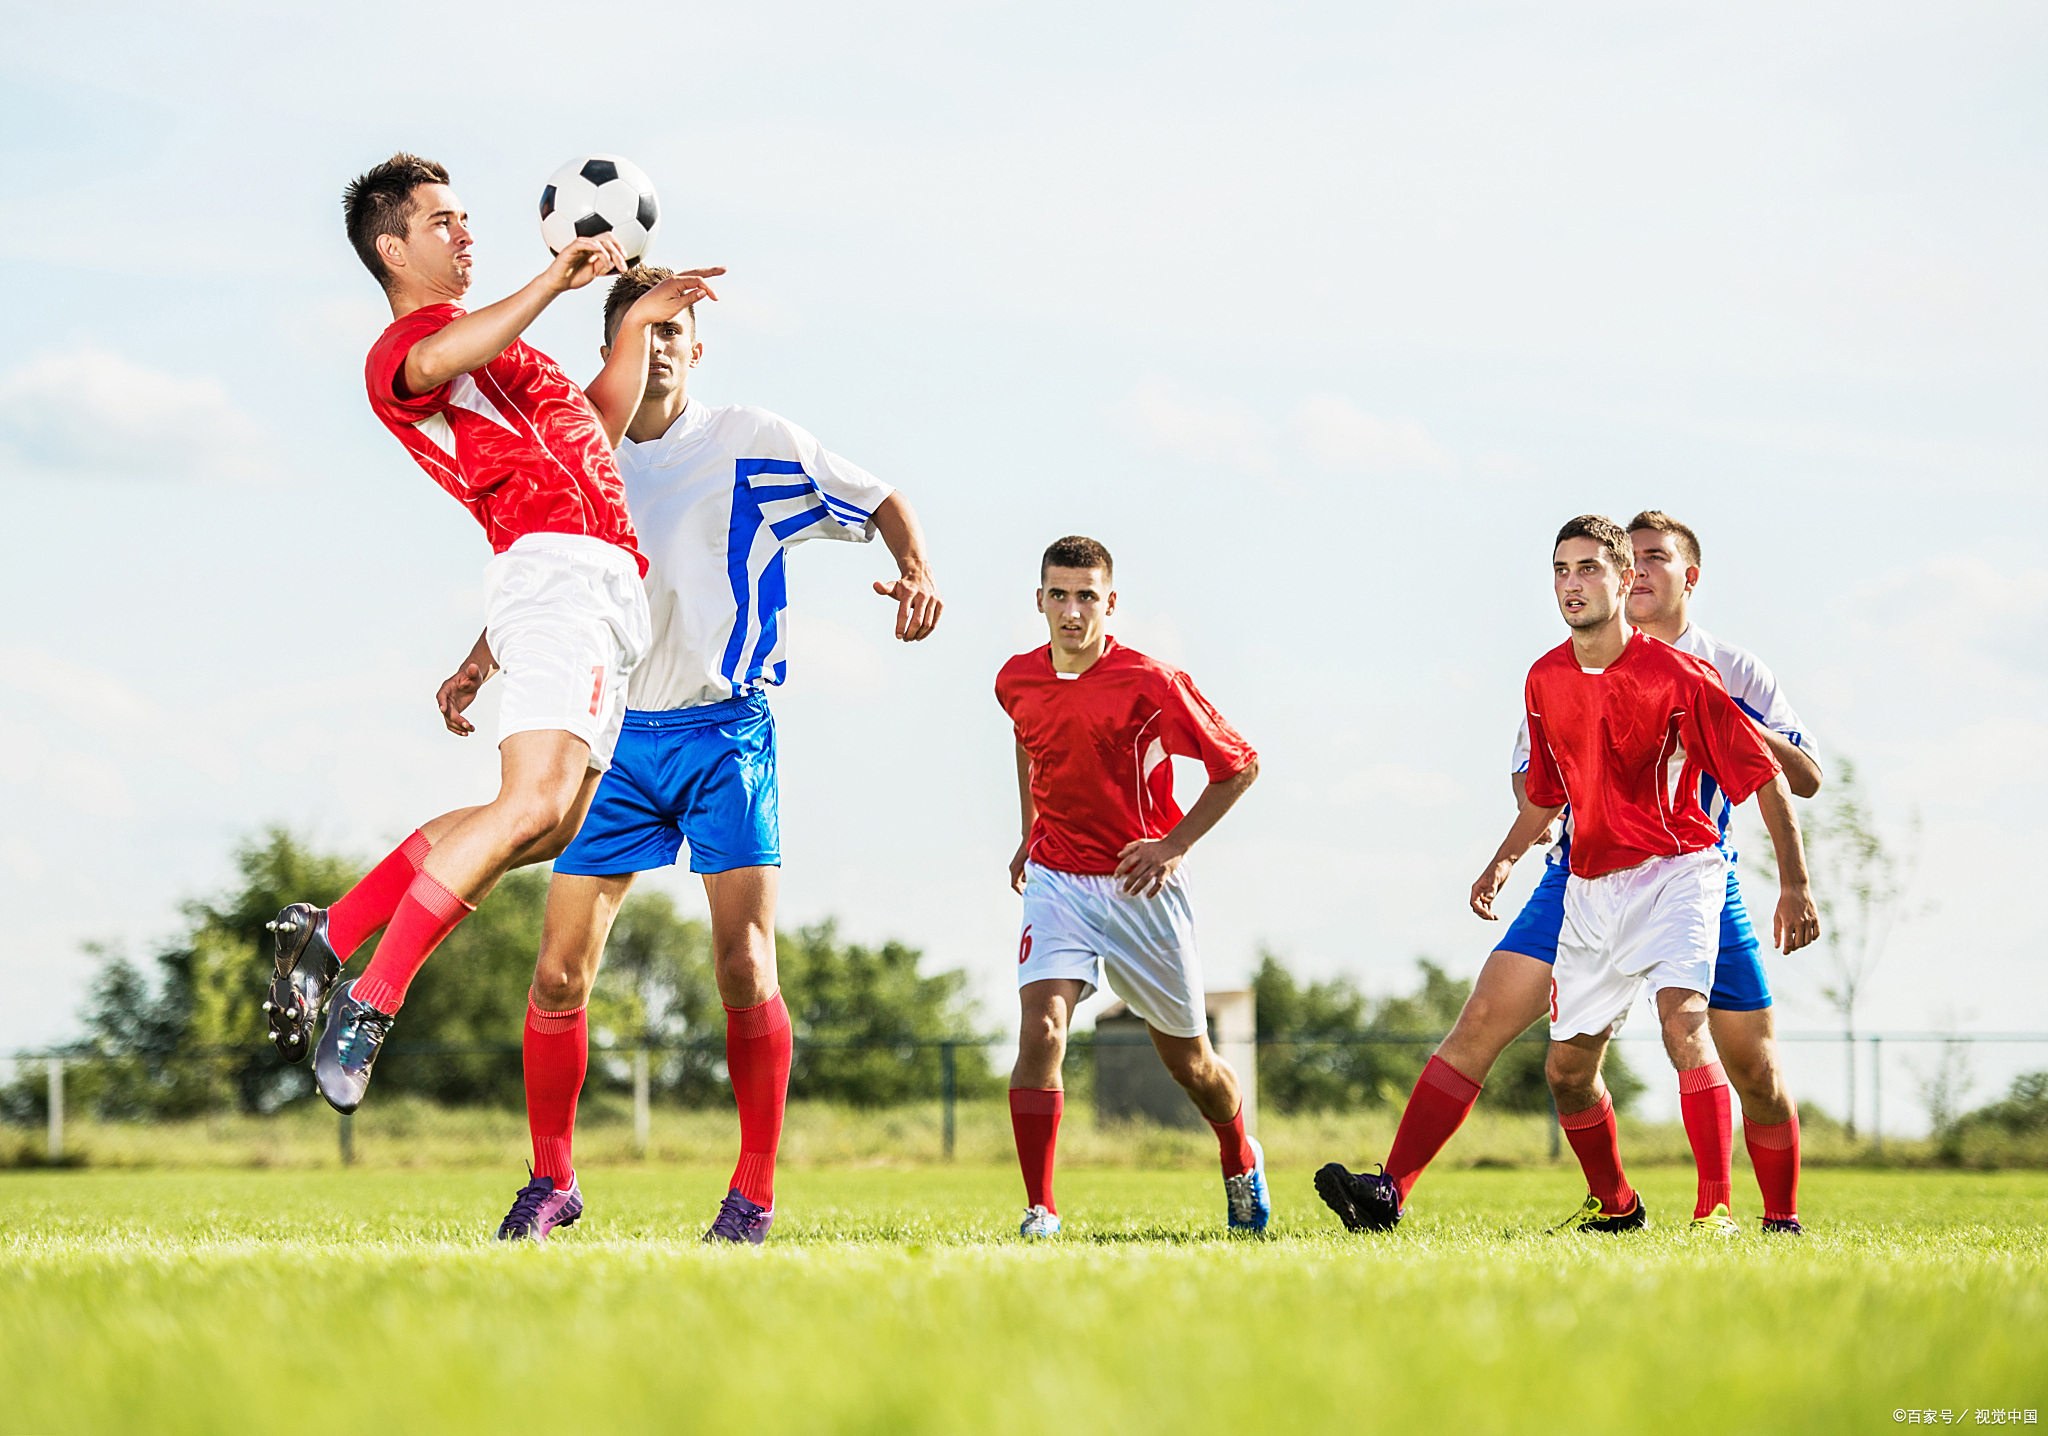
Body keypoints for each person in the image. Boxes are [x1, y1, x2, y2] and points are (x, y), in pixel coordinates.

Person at [440, 265, 944, 1245]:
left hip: (724, 733)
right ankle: (552, 1181)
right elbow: (554, 579)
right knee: (555, 973)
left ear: (697, 348)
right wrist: (476, 661)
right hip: (613, 738)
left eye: (676, 327)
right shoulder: (583, 455)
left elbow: (878, 496)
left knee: (742, 965)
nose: (662, 343)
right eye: (643, 328)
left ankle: (751, 1194)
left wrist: (916, 572)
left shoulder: (752, 442)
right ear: (611, 352)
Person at [262, 154, 718, 1116]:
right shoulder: (411, 348)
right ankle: (370, 1001)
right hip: (558, 573)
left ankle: (332, 932)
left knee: (549, 824)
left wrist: (633, 323)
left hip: (600, 587)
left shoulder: (509, 356)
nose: (466, 232)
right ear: (393, 247)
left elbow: (592, 423)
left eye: (469, 217)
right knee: (531, 804)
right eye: (443, 221)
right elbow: (432, 365)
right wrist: (555, 280)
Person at [1316, 511, 1823, 1235]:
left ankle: (1741, 1214)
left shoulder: (1718, 670)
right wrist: (1503, 858)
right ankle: (1400, 1190)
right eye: (1563, 568)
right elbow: (1542, 791)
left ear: (1679, 575)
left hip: (1692, 871)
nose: (1627, 573)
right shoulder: (1551, 674)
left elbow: (1789, 776)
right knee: (1527, 1046)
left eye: (1643, 560)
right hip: (1581, 875)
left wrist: (1792, 874)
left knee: (1741, 1059)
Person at [996, 536, 1265, 1237]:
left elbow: (1238, 765)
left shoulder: (1152, 681)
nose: (1073, 610)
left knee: (1191, 1064)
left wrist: (1174, 845)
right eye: (1059, 594)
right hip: (1057, 881)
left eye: (1087, 596)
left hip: (1139, 887)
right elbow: (1030, 742)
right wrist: (1031, 829)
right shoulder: (1016, 679)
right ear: (1040, 601)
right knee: (1042, 1030)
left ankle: (1239, 1157)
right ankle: (1041, 1209)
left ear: (1110, 604)